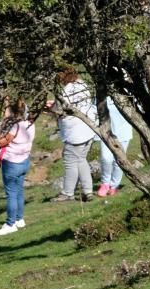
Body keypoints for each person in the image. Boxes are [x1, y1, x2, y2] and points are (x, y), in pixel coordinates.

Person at [47, 67, 97, 203]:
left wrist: (50, 108)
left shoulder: (67, 90)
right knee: (81, 159)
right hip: (88, 129)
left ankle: (68, 193)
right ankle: (88, 191)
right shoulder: (82, 84)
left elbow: (59, 110)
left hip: (75, 133)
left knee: (70, 162)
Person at [0, 98, 35, 236]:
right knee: (19, 191)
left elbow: (1, 142)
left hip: (12, 163)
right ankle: (19, 219)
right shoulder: (30, 124)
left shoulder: (15, 127)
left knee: (11, 194)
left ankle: (10, 223)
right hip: (24, 161)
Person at [97, 98, 134, 198]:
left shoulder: (126, 92)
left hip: (123, 132)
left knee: (119, 160)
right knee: (106, 158)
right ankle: (105, 183)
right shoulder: (102, 93)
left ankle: (114, 185)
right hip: (106, 131)